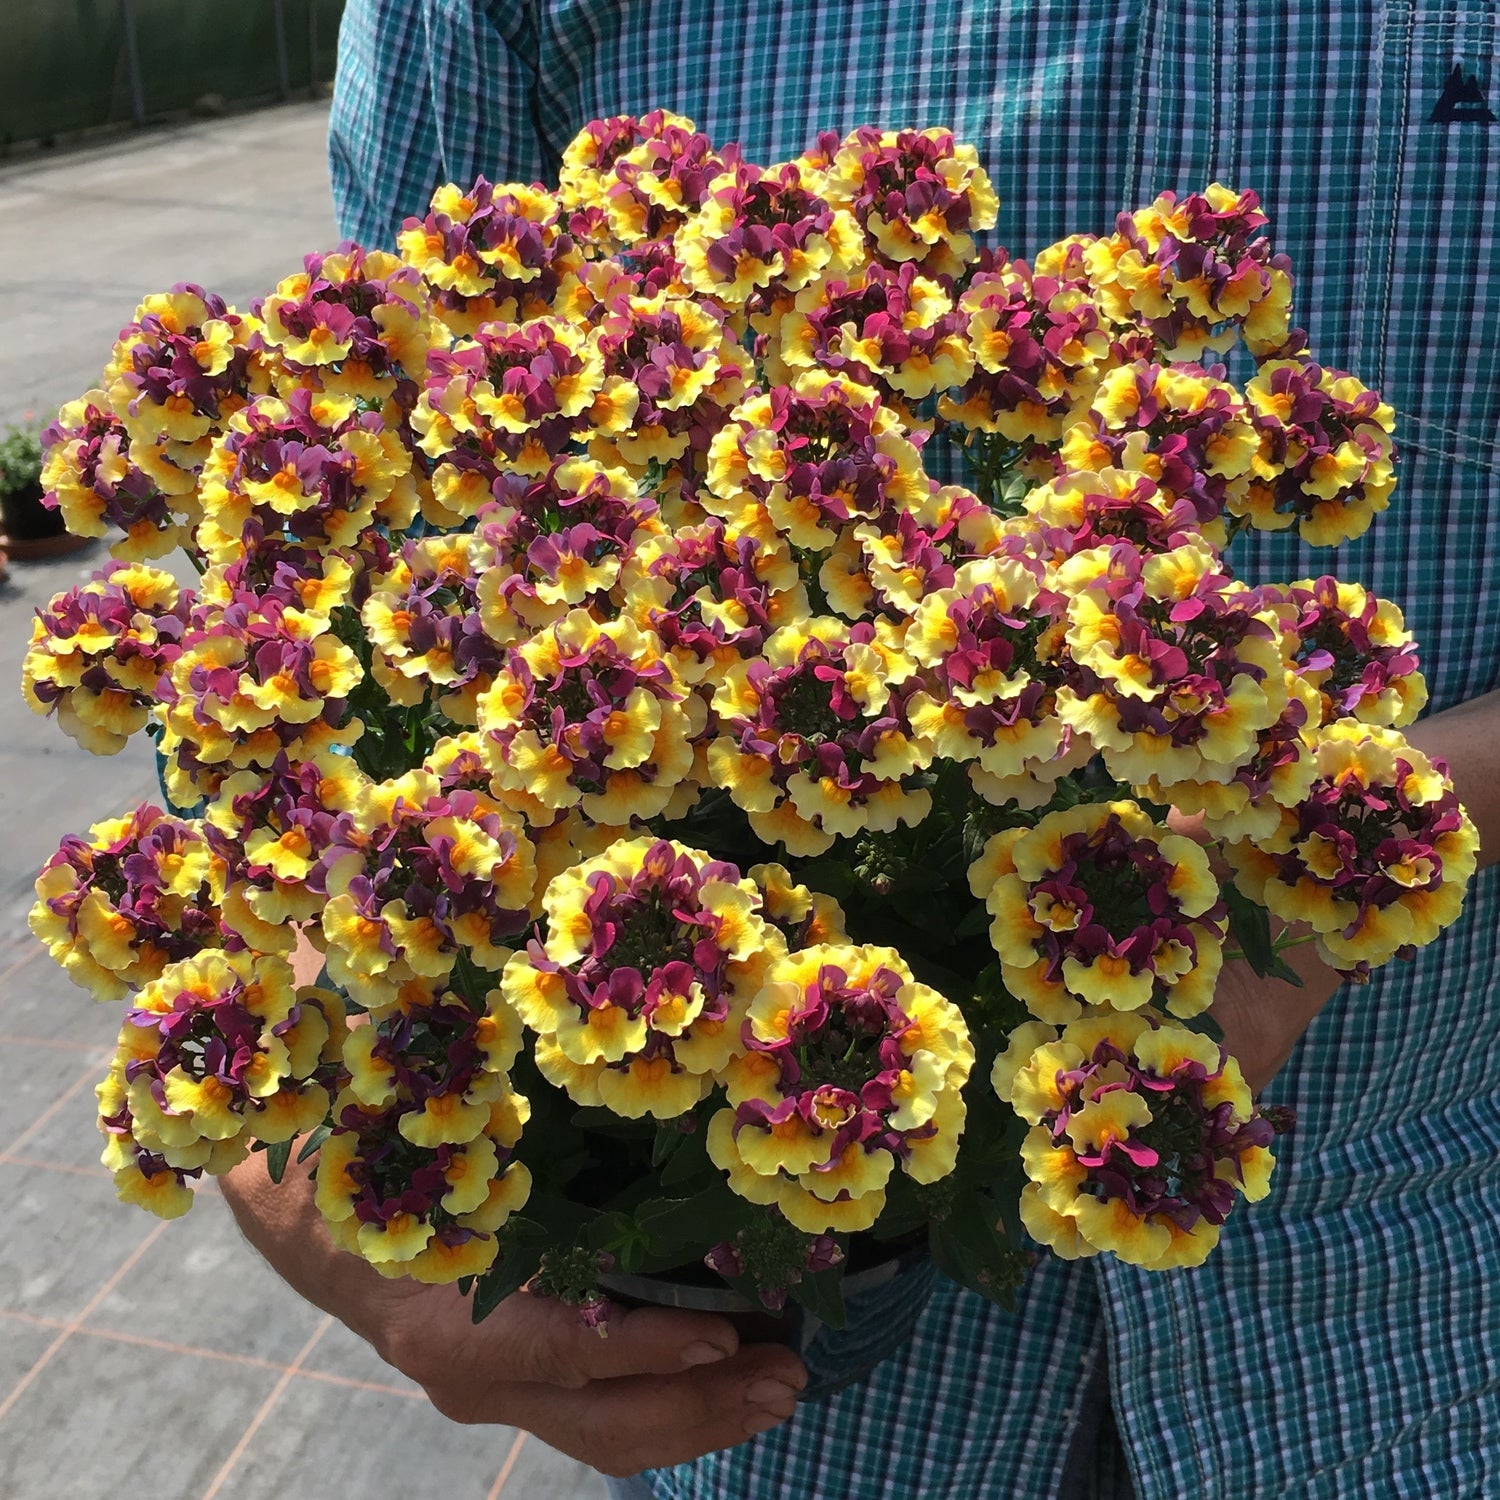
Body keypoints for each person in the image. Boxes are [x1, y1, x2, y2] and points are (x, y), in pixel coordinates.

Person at [226, 2, 1500, 1494]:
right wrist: (301, 1139)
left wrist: (1319, 866)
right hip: (777, 1397)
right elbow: (365, 491)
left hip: (1393, 1302)